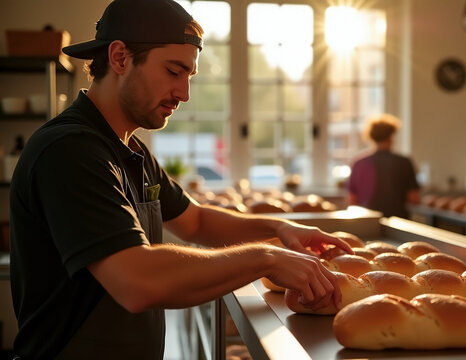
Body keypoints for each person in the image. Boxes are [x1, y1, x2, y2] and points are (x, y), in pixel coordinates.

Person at [9, 1, 352, 358]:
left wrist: (278, 229)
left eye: (189, 76)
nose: (184, 94)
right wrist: (267, 258)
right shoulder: (70, 150)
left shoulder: (131, 150)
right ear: (120, 58)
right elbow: (137, 281)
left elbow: (197, 220)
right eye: (174, 71)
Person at [347, 114, 420, 218]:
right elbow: (413, 198)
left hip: (367, 221)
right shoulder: (404, 162)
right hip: (397, 221)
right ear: (390, 137)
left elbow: (352, 201)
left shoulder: (358, 163)